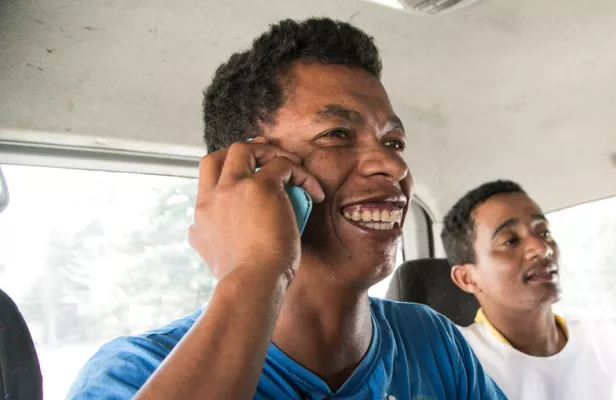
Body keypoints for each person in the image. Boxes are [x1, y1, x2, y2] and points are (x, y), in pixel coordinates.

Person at [66, 18, 505, 400]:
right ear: (253, 172)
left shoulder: (431, 341)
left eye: (393, 142)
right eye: (336, 134)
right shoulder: (137, 372)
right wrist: (258, 271)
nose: (393, 165)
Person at [441, 180, 616, 400]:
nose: (542, 249)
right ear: (467, 278)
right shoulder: (455, 363)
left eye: (544, 233)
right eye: (510, 241)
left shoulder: (605, 340)